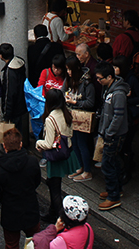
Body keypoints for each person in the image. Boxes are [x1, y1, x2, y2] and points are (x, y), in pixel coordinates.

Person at [0, 127, 41, 249]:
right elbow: (37, 180)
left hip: (10, 212)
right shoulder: (32, 162)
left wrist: (4, 199)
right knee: (35, 243)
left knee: (11, 244)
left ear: (4, 146)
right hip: (30, 209)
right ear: (21, 144)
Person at [37, 88, 81, 223]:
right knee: (55, 184)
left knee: (54, 188)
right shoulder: (66, 113)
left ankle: (62, 218)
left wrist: (38, 143)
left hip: (55, 156)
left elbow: (49, 143)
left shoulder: (51, 118)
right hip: (66, 152)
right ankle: (52, 212)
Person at [95, 62, 129, 210]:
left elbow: (118, 116)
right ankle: (116, 189)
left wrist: (109, 132)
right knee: (113, 161)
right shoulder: (107, 88)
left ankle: (113, 196)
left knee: (107, 164)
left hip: (115, 134)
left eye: (100, 78)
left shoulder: (119, 93)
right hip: (109, 131)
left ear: (109, 77)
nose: (98, 81)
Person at [0, 43, 29, 151]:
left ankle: (15, 151)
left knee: (12, 134)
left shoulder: (10, 72)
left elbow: (9, 94)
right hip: (22, 104)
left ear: (1, 56)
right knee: (19, 130)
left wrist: (7, 112)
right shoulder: (20, 63)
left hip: (14, 108)